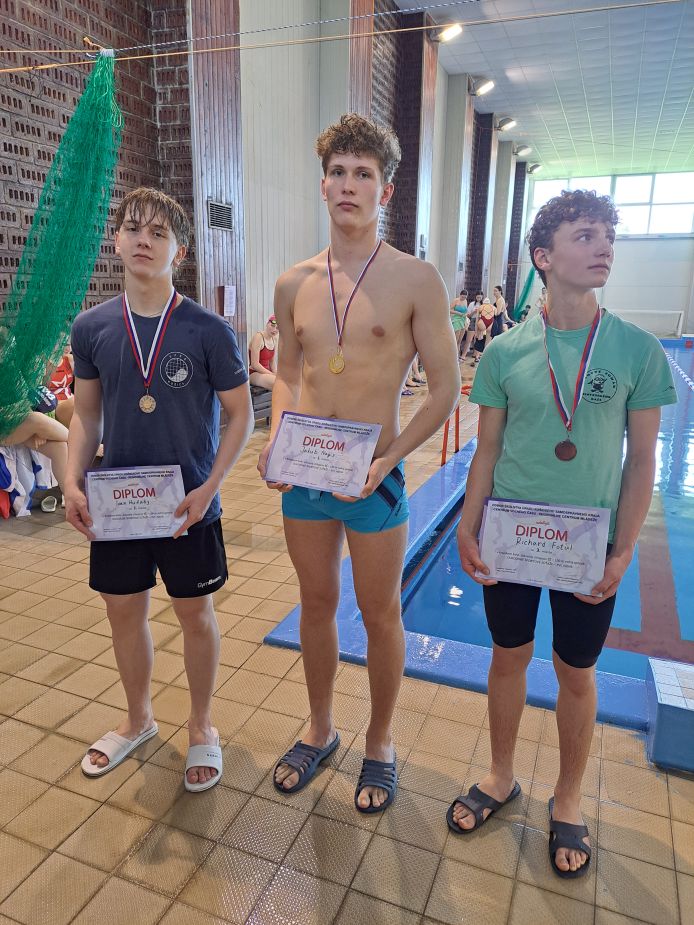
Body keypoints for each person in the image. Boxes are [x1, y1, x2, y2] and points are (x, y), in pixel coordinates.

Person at [449, 189, 677, 878]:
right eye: (585, 235)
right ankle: (500, 775)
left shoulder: (636, 350)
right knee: (508, 657)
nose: (604, 246)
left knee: (577, 672)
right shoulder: (504, 352)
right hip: (512, 536)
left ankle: (569, 796)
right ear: (543, 257)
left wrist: (624, 548)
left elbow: (643, 462)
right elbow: (486, 451)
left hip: (587, 546)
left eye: (609, 235)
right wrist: (467, 525)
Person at [258, 113, 460, 813]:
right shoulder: (294, 283)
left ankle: (380, 740)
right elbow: (289, 371)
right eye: (338, 172)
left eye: (363, 174)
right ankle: (320, 727)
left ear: (385, 189)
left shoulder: (416, 279)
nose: (348, 185)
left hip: (376, 474)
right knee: (315, 603)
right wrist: (278, 438)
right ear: (323, 185)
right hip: (308, 474)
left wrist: (391, 458)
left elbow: (445, 388)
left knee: (380, 612)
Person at [65, 187, 253, 792]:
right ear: (117, 240)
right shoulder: (92, 327)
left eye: (159, 233)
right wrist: (71, 480)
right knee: (123, 611)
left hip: (186, 504)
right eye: (133, 228)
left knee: (195, 613)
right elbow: (86, 416)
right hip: (118, 504)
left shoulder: (208, 330)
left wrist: (211, 486)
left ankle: (201, 725)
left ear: (180, 251)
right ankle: (138, 718)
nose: (143, 240)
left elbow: (242, 416)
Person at [248, 315, 279, 390]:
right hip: (254, 373)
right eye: (272, 326)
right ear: (267, 324)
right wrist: (272, 374)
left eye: (277, 328)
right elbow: (255, 364)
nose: (274, 330)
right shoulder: (258, 337)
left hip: (267, 372)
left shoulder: (274, 339)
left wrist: (276, 374)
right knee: (278, 383)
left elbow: (272, 362)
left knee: (286, 381)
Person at [450, 289, 469, 354]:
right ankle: (453, 355)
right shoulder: (456, 300)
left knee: (459, 341)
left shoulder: (465, 301)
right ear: (460, 295)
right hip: (456, 319)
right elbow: (449, 310)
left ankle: (457, 356)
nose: (463, 298)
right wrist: (458, 313)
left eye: (465, 297)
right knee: (455, 340)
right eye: (462, 297)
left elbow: (466, 311)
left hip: (463, 320)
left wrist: (466, 314)